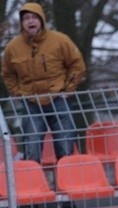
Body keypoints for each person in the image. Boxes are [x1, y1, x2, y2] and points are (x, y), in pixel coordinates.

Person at [1, 3, 85, 164]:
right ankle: (34, 184)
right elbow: (8, 74)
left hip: (59, 99)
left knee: (65, 147)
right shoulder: (12, 47)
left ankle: (65, 184)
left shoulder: (60, 40)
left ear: (41, 20)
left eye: (34, 17)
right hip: (31, 103)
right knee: (31, 148)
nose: (30, 21)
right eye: (26, 18)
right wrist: (17, 93)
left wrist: (68, 89)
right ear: (21, 23)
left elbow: (77, 65)